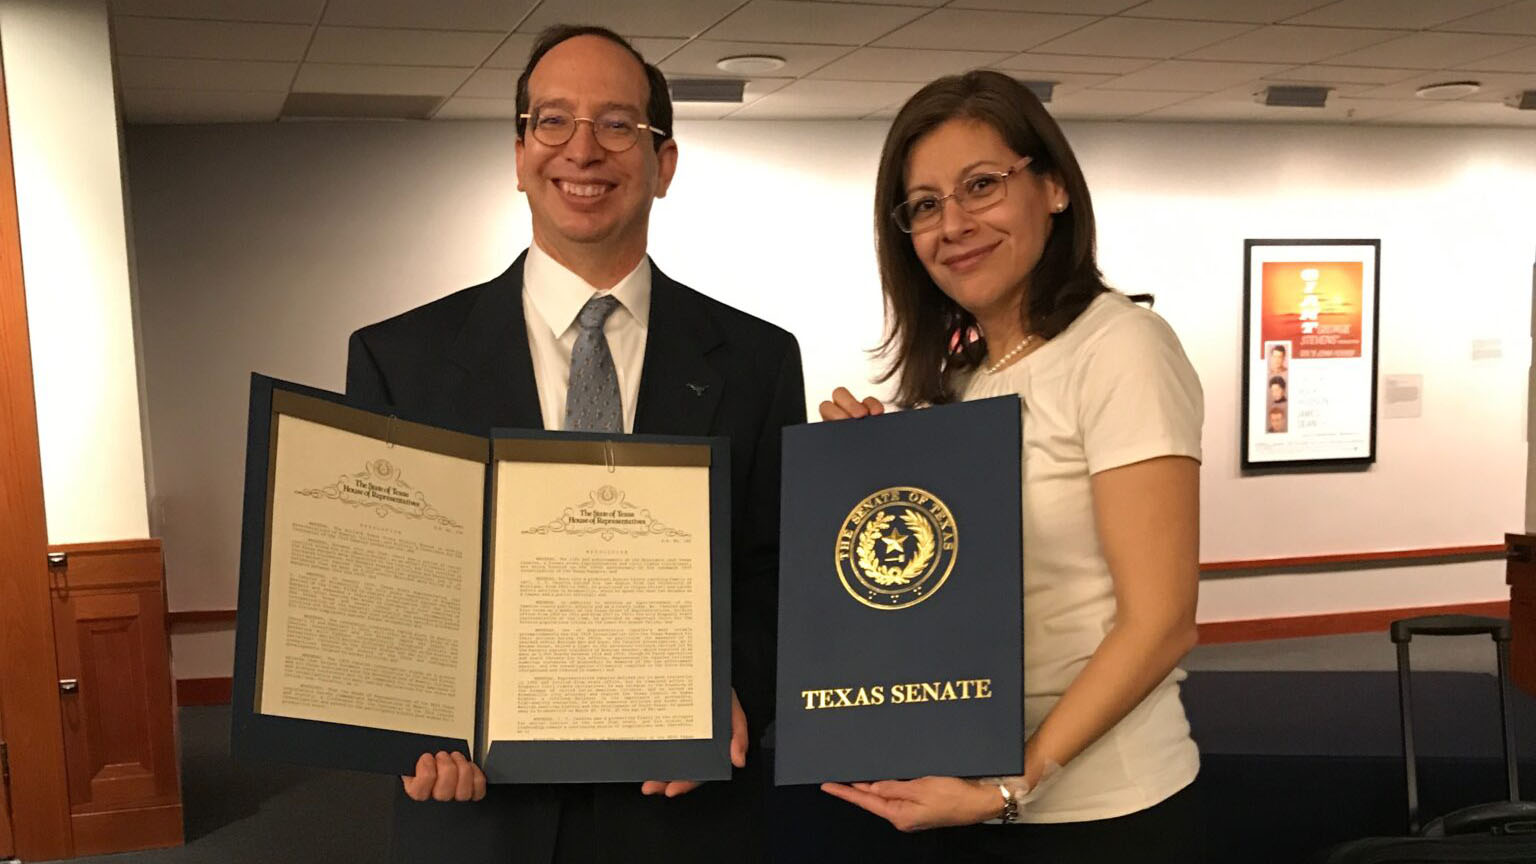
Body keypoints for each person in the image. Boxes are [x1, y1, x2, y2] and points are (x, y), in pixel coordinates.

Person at [344, 24, 805, 864]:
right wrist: (407, 730)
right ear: (520, 152)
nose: (583, 150)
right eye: (553, 121)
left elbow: (776, 571)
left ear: (664, 163)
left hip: (685, 813)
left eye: (619, 124)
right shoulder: (399, 360)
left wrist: (738, 690)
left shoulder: (759, 360)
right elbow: (383, 588)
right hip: (478, 816)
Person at [817, 71, 1203, 863]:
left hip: (1103, 811)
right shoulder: (961, 382)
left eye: (981, 186)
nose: (953, 223)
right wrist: (869, 467)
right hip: (974, 791)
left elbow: (1161, 623)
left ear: (1054, 187)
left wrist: (1012, 783)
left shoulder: (1119, 347)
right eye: (924, 205)